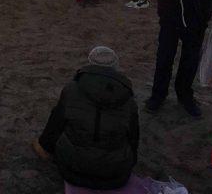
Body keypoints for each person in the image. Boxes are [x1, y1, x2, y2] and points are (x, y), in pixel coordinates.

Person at [32, 46, 139, 191]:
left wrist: (43, 146)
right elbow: (133, 139)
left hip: (72, 169)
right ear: (116, 68)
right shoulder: (128, 99)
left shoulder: (71, 90)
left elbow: (55, 126)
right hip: (115, 174)